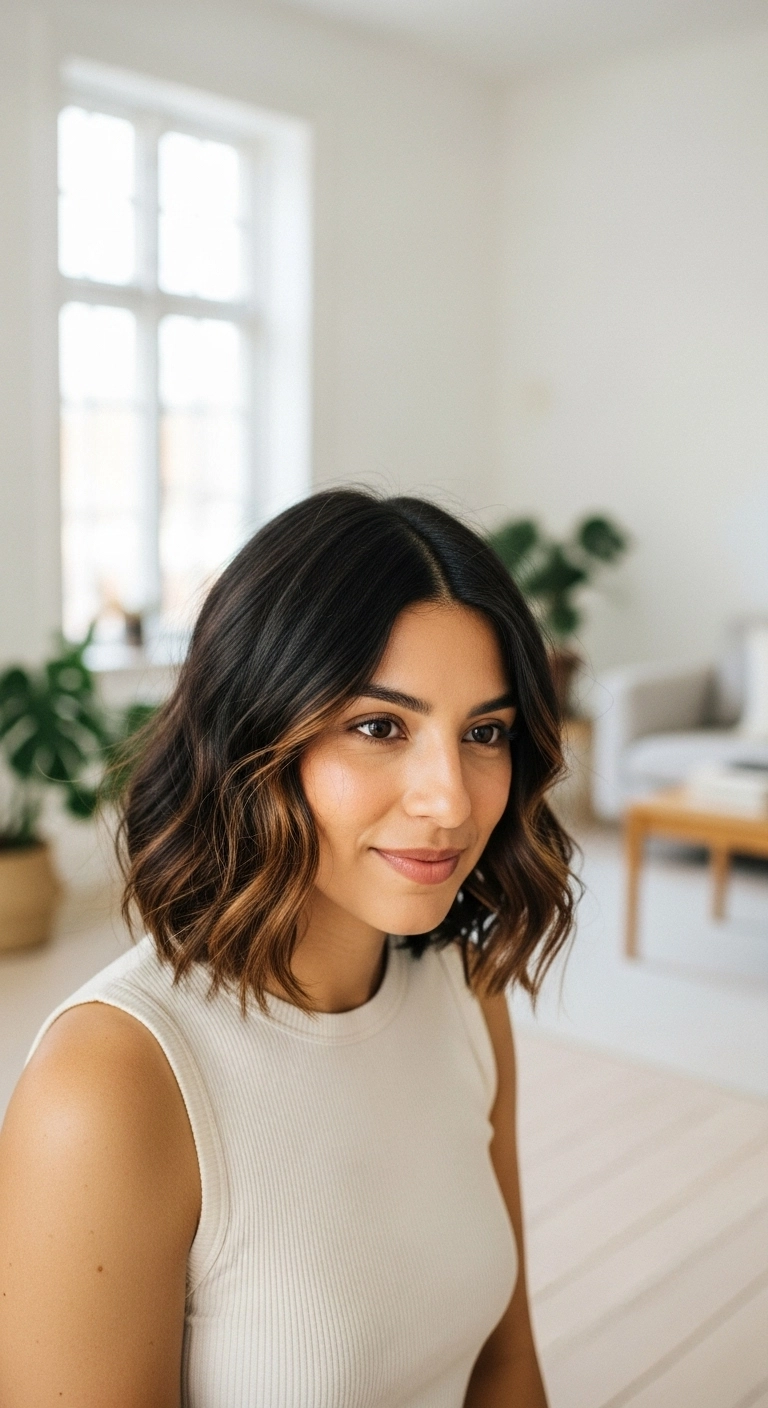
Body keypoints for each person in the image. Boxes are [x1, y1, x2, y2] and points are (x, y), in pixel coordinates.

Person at [0, 490, 576, 1407]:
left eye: (484, 733)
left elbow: (506, 1366)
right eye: (381, 727)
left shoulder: (466, 990)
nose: (452, 800)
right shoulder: (110, 1086)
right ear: (254, 733)